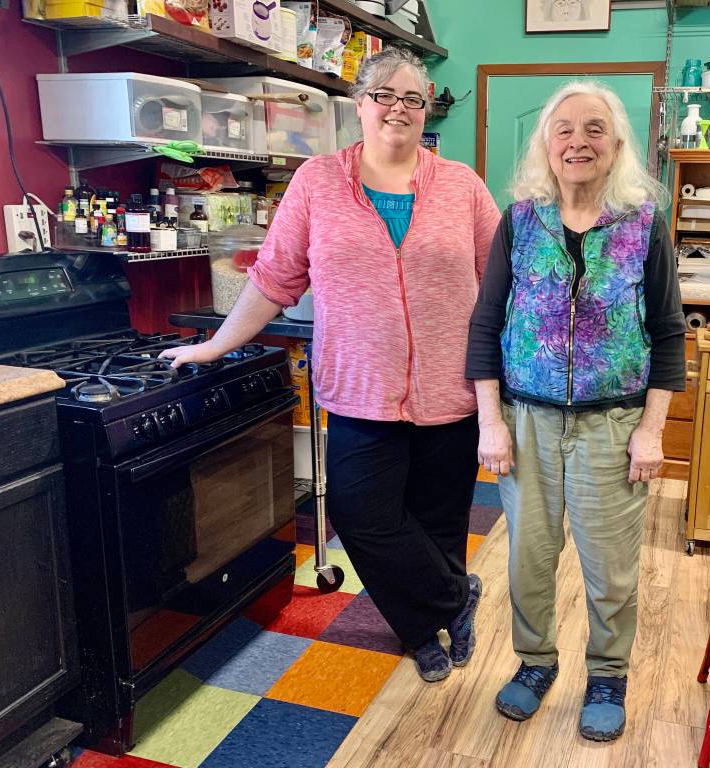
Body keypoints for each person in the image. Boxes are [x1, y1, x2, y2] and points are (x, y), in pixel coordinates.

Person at [160, 47, 501, 683]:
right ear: (359, 104)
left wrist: (502, 386)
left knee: (440, 517)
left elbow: (499, 285)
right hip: (358, 390)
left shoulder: (463, 187)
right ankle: (454, 601)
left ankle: (421, 631)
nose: (398, 109)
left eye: (412, 99)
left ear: (425, 109)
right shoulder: (317, 182)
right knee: (359, 510)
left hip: (448, 388)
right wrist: (214, 345)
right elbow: (273, 278)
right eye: (384, 96)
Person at [465, 80, 685, 741]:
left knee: (610, 567)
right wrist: (490, 420)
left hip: (613, 424)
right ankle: (535, 662)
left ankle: (608, 674)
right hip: (527, 419)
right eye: (563, 129)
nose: (577, 142)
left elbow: (669, 333)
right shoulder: (519, 222)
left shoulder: (643, 225)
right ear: (546, 145)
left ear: (616, 146)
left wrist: (651, 430)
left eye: (594, 129)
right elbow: (485, 325)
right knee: (528, 559)